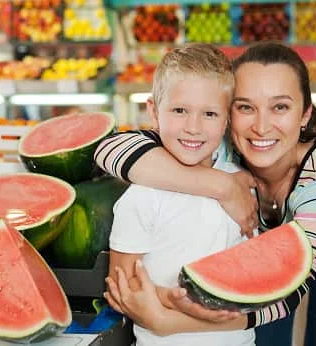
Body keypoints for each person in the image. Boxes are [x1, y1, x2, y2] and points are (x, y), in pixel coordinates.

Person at [95, 41, 316, 346]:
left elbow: (286, 296)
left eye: (280, 107)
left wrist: (167, 323)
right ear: (229, 113)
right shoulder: (216, 135)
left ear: (305, 114)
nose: (261, 127)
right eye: (245, 107)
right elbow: (109, 149)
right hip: (258, 236)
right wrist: (222, 185)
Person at [109, 43, 255, 346]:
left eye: (210, 114)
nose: (193, 127)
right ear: (153, 112)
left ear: (227, 119)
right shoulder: (141, 197)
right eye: (179, 110)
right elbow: (121, 284)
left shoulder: (241, 185)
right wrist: (171, 299)